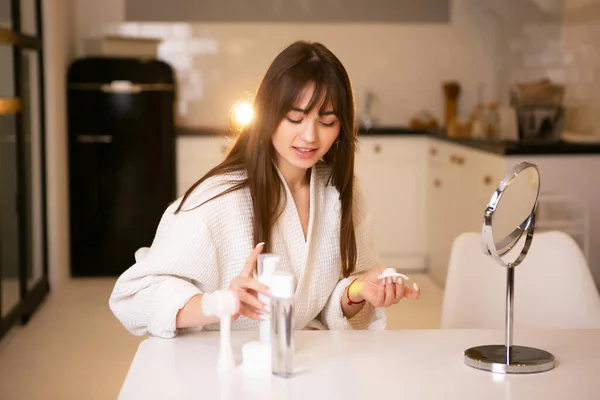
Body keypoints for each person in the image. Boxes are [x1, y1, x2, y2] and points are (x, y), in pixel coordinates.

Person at [109, 40, 420, 338]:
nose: (309, 136)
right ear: (268, 115)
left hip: (301, 363)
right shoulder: (216, 200)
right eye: (295, 118)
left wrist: (359, 291)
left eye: (326, 122)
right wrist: (221, 303)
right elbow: (133, 297)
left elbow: (322, 308)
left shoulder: (340, 192)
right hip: (223, 368)